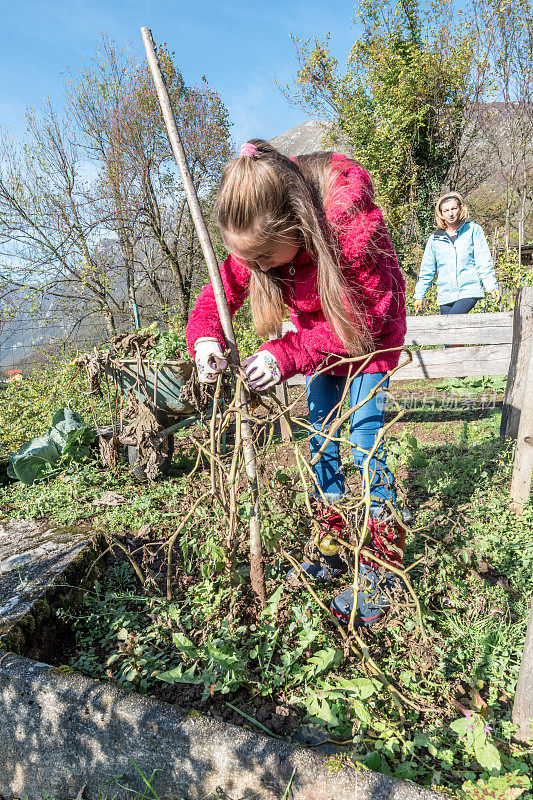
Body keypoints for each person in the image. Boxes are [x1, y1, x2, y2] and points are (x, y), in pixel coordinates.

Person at [186, 140, 407, 626]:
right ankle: (333, 538)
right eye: (250, 258)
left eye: (264, 256)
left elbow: (363, 318)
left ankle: (383, 557)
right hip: (317, 345)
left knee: (365, 439)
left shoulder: (349, 224)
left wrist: (285, 353)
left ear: (296, 225)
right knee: (321, 436)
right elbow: (222, 288)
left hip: (369, 339)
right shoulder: (261, 241)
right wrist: (205, 336)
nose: (258, 268)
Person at [414, 192, 500, 316]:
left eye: (454, 208)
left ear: (460, 209)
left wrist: (491, 286)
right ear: (441, 214)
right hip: (445, 295)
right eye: (446, 210)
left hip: (469, 291)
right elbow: (427, 270)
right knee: (449, 332)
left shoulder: (473, 230)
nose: (450, 213)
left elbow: (483, 261)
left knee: (450, 323)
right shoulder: (435, 239)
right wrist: (419, 295)